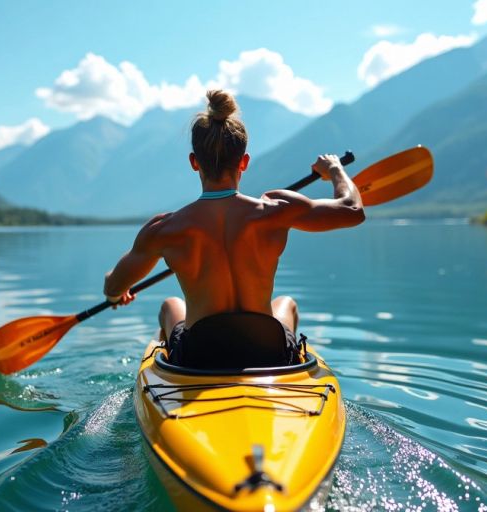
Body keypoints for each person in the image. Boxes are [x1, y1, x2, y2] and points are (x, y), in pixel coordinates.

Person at [102, 90, 364, 367]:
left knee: (170, 306)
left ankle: (169, 376)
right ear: (244, 162)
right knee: (286, 304)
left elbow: (113, 284)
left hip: (199, 356)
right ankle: (288, 374)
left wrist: (116, 295)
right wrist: (335, 169)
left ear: (194, 162)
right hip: (267, 350)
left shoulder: (165, 228)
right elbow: (352, 210)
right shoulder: (276, 210)